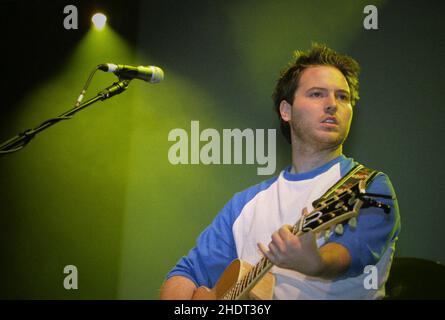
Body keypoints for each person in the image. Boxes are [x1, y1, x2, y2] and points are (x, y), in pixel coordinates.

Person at [160, 43, 401, 300]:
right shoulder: (244, 204)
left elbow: (352, 254)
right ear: (286, 111)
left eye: (343, 97)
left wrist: (315, 262)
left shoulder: (369, 186)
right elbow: (186, 273)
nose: (332, 104)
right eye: (317, 94)